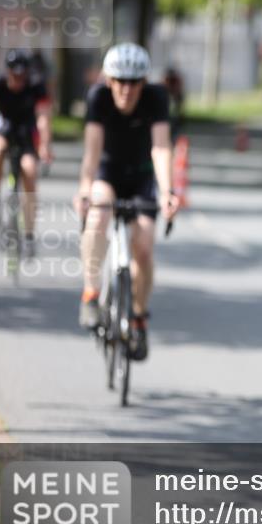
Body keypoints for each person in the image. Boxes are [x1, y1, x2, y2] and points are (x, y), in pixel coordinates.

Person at [76, 43, 180, 361]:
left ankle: (138, 317)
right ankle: (91, 293)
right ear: (109, 80)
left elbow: (161, 147)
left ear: (144, 82)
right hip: (108, 173)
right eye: (120, 81)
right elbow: (92, 152)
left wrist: (167, 192)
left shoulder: (156, 98)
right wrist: (84, 187)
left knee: (144, 246)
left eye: (134, 82)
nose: (126, 89)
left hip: (142, 179)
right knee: (97, 218)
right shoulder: (98, 98)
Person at [0, 49, 53, 254]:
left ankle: (28, 234)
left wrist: (45, 145)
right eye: (14, 74)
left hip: (27, 131)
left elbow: (43, 118)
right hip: (5, 127)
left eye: (22, 75)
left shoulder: (36, 85)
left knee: (29, 170)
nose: (18, 79)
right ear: (7, 71)